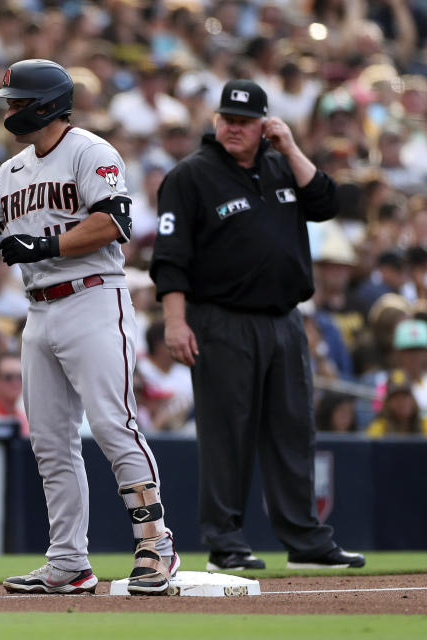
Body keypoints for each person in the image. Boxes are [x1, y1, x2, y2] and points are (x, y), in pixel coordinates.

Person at [0, 59, 178, 595]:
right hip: (39, 309)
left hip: (93, 298)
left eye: (19, 101)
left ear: (47, 103)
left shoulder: (90, 150)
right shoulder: (14, 169)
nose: (11, 109)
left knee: (114, 425)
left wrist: (44, 244)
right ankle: (69, 561)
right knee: (50, 441)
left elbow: (114, 221)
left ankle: (156, 545)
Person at [149, 79, 366, 571]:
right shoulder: (191, 176)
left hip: (284, 319)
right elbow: (170, 257)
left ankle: (306, 542)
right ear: (216, 121)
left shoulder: (279, 165)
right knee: (226, 433)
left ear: (265, 124)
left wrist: (289, 146)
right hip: (221, 320)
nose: (234, 128)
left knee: (293, 429)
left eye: (245, 121)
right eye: (228, 119)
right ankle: (225, 544)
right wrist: (176, 321)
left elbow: (328, 203)